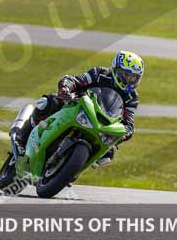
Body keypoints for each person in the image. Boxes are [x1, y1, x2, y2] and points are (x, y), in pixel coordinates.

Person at [12, 51, 144, 166]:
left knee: (108, 153)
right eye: (126, 75)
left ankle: (72, 169)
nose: (129, 80)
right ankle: (22, 137)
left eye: (134, 78)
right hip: (77, 106)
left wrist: (125, 133)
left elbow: (128, 122)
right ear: (116, 69)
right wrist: (66, 88)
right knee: (48, 102)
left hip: (101, 124)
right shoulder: (99, 73)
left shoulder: (132, 97)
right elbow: (75, 80)